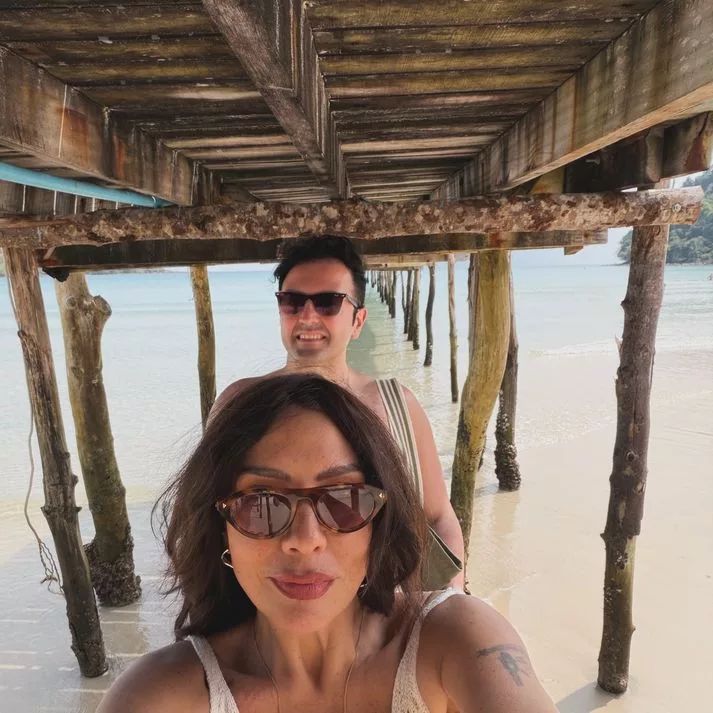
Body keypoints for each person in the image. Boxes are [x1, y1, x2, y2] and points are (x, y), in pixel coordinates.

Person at [98, 374, 557, 713]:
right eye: (262, 504)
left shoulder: (455, 640)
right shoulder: (158, 696)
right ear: (221, 528)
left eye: (344, 502)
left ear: (379, 522)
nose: (304, 540)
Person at [210, 235, 465, 588]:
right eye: (292, 302)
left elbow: (438, 516)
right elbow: (203, 518)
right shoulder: (238, 403)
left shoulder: (398, 406)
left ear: (358, 321)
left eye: (328, 302)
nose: (307, 316)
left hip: (387, 607)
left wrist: (448, 599)